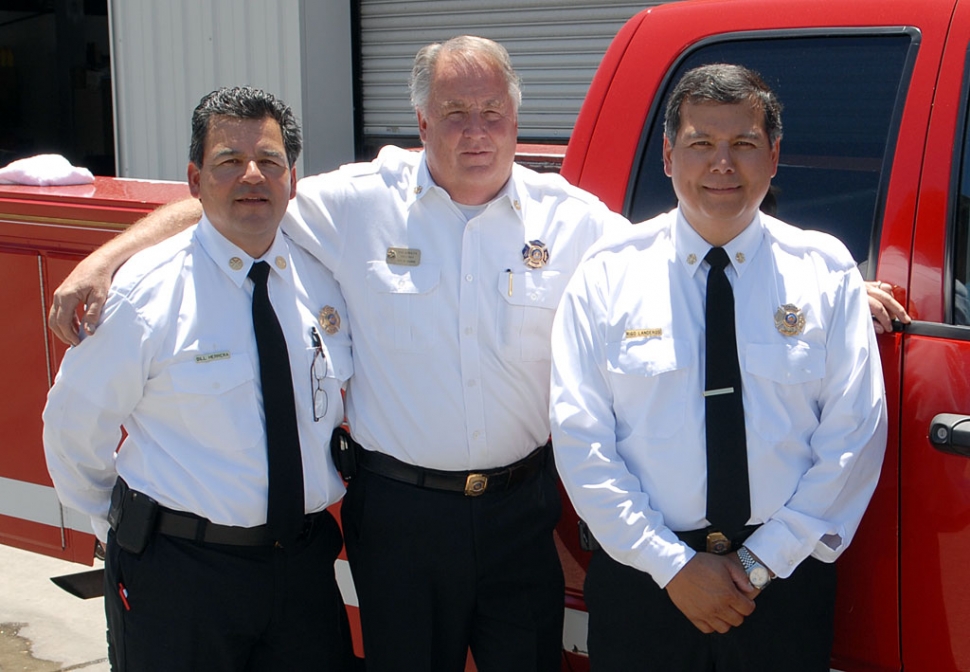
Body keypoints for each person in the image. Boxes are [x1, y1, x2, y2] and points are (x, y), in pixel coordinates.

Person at [46, 36, 631, 671]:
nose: (476, 132)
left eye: (492, 113)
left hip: (520, 513)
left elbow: (656, 270)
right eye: (455, 113)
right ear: (422, 122)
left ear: (517, 121)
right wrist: (106, 258)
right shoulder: (358, 202)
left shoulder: (576, 222)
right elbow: (235, 199)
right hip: (400, 518)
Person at [549, 64, 888, 671]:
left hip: (781, 584)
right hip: (645, 582)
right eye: (701, 143)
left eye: (744, 144)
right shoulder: (607, 275)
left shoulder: (824, 273)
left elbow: (853, 437)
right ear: (668, 154)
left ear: (775, 155)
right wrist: (672, 565)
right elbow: (581, 443)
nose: (722, 164)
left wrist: (760, 563)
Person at [43, 86, 355, 671]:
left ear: (293, 177)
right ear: (194, 179)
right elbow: (71, 428)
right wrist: (122, 527)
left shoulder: (324, 279)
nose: (252, 177)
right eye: (228, 162)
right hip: (179, 576)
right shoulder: (145, 294)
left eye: (268, 161)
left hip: (303, 570)